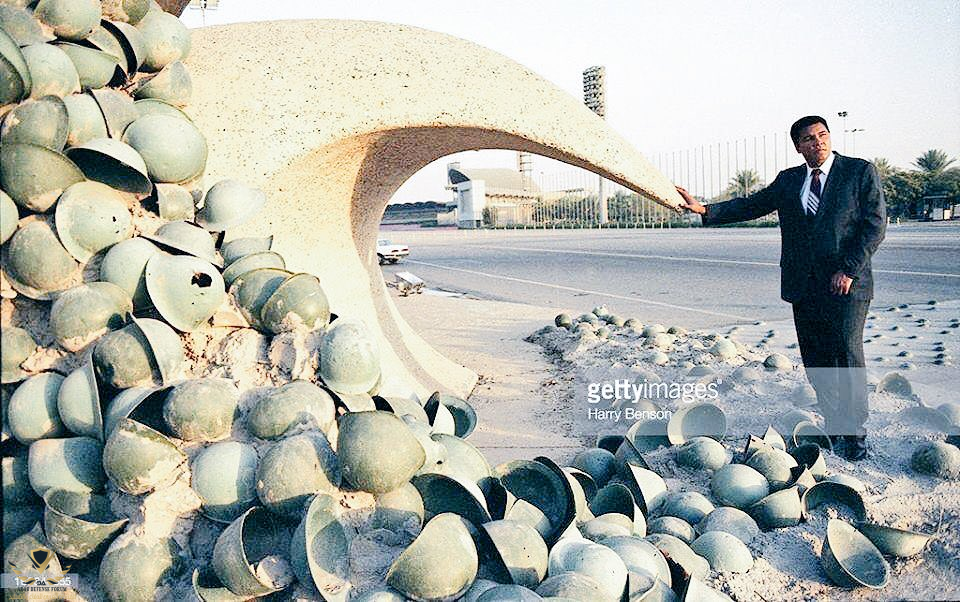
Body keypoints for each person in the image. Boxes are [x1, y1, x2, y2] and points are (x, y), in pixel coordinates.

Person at [676, 116, 886, 461]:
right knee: (816, 359)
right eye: (809, 138)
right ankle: (834, 424)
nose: (818, 142)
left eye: (822, 135)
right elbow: (752, 205)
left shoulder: (858, 172)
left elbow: (875, 225)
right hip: (804, 284)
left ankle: (855, 434)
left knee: (846, 356)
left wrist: (848, 269)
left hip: (846, 285)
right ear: (798, 146)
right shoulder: (789, 180)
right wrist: (704, 209)